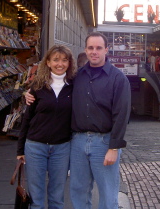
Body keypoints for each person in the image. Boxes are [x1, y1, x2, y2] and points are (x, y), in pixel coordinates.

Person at [25, 32, 131, 209]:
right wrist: (29, 94)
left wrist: (114, 147)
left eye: (98, 48)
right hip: (78, 142)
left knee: (107, 193)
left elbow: (122, 116)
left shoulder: (118, 79)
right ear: (85, 50)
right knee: (79, 191)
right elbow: (53, 88)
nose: (94, 52)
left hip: (104, 143)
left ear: (106, 49)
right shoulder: (76, 77)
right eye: (90, 48)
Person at [17, 45, 76, 209]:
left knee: (57, 198)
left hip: (62, 148)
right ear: (48, 63)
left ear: (69, 63)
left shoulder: (74, 86)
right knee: (36, 198)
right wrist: (20, 150)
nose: (60, 64)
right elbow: (27, 119)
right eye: (56, 60)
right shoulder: (37, 86)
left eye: (65, 60)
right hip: (35, 147)